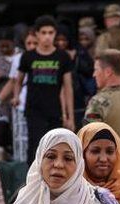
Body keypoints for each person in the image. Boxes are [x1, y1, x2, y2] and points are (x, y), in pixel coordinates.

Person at [12, 16, 75, 164]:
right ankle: (33, 184)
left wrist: (69, 116)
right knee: (34, 150)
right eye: (44, 32)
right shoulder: (28, 56)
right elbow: (18, 79)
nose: (47, 36)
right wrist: (16, 96)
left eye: (51, 32)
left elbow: (68, 87)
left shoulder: (62, 57)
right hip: (34, 111)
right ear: (37, 34)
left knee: (55, 149)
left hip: (55, 111)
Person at [0, 29, 37, 163]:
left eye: (35, 43)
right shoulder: (20, 58)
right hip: (22, 105)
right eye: (29, 43)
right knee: (21, 141)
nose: (32, 46)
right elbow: (13, 82)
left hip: (41, 106)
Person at [78, 121, 120, 204]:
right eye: (95, 151)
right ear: (82, 154)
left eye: (110, 151)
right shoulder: (73, 192)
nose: (103, 159)